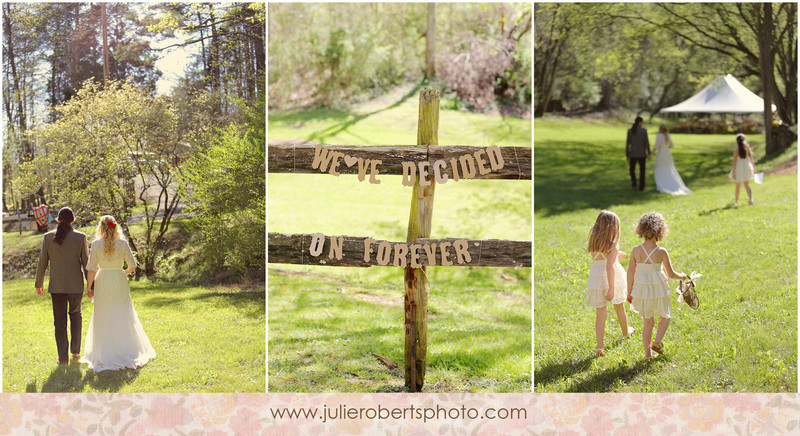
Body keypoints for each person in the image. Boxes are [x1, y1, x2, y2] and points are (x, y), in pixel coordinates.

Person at [80, 215, 155, 372]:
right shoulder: (122, 244)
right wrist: (123, 273)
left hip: (103, 281)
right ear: (115, 227)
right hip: (118, 280)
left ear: (101, 228)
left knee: (103, 314)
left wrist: (89, 288)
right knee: (122, 313)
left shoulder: (95, 244)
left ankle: (104, 352)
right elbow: (133, 265)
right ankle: (128, 349)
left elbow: (91, 268)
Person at [627, 212, 687, 360]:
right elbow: (671, 274)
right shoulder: (661, 252)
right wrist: (682, 276)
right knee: (665, 316)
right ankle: (657, 342)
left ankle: (647, 354)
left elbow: (630, 273)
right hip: (659, 289)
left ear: (641, 229)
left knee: (648, 321)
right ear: (660, 231)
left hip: (642, 290)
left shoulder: (636, 250)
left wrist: (630, 292)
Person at [34, 207, 89, 365]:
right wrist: (91, 286)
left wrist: (39, 283)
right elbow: (87, 264)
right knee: (76, 316)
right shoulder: (81, 237)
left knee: (59, 321)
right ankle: (76, 352)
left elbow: (42, 263)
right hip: (75, 286)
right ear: (73, 220)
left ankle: (63, 358)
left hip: (56, 286)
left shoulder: (47, 237)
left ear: (58, 220)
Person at [585, 210, 635, 357]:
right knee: (619, 307)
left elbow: (603, 258)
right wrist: (612, 288)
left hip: (597, 279)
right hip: (612, 279)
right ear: (613, 229)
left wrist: (616, 254)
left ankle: (600, 346)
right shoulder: (613, 245)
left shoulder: (594, 243)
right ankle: (626, 333)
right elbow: (609, 266)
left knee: (600, 314)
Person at [652, 124, 692, 195]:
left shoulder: (659, 136)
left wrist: (650, 154)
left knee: (660, 169)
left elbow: (656, 146)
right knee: (668, 168)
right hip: (667, 153)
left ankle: (662, 183)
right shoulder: (668, 135)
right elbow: (671, 145)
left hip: (661, 153)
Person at [729, 133, 756, 205]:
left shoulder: (736, 151)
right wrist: (753, 168)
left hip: (739, 169)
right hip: (747, 168)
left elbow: (734, 163)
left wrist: (733, 172)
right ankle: (751, 200)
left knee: (738, 186)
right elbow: (751, 160)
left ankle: (736, 200)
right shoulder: (747, 150)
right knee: (747, 185)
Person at [626, 116, 651, 191]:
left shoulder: (630, 131)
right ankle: (641, 187)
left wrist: (627, 154)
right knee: (642, 171)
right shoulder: (644, 131)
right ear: (640, 122)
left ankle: (634, 184)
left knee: (632, 170)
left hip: (633, 153)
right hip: (642, 154)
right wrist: (649, 153)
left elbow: (627, 144)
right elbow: (646, 143)